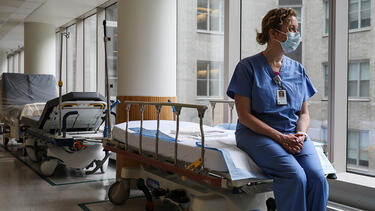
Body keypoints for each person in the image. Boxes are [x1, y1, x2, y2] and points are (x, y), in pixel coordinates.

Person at [226, 8, 328, 211]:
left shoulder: (297, 70)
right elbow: (244, 116)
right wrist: (280, 138)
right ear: (273, 33)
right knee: (295, 176)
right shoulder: (247, 67)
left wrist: (300, 134)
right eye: (290, 29)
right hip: (256, 134)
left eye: (296, 29)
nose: (295, 35)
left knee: (317, 178)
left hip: (292, 133)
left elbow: (304, 114)